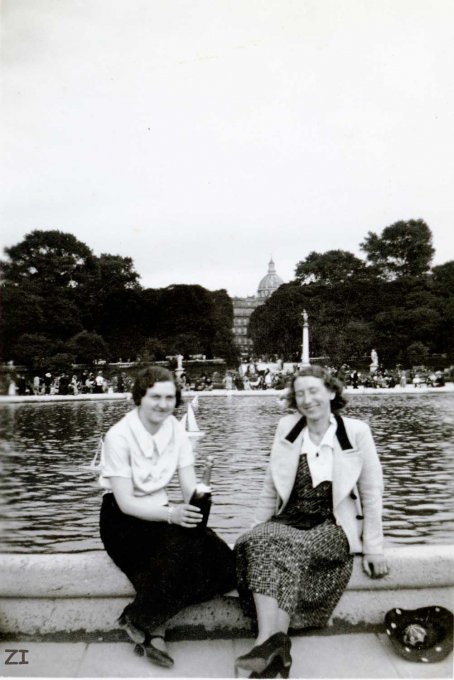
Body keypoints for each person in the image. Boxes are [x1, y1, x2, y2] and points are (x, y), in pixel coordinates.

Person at [235, 365, 388, 678]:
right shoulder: (287, 427)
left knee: (285, 546)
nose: (307, 399)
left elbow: (372, 493)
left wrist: (374, 547)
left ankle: (267, 644)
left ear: (331, 392)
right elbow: (269, 486)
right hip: (290, 517)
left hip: (331, 525)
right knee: (254, 542)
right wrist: (255, 526)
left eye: (313, 391)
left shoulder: (356, 431)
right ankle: (274, 646)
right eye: (300, 393)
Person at [99, 366, 235, 670]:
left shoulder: (176, 430)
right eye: (155, 397)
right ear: (139, 398)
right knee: (181, 557)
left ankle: (141, 618)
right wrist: (172, 515)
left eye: (170, 397)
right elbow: (125, 502)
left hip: (161, 513)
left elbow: (188, 486)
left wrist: (200, 496)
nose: (163, 404)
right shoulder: (118, 436)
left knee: (225, 564)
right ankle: (149, 626)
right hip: (122, 521)